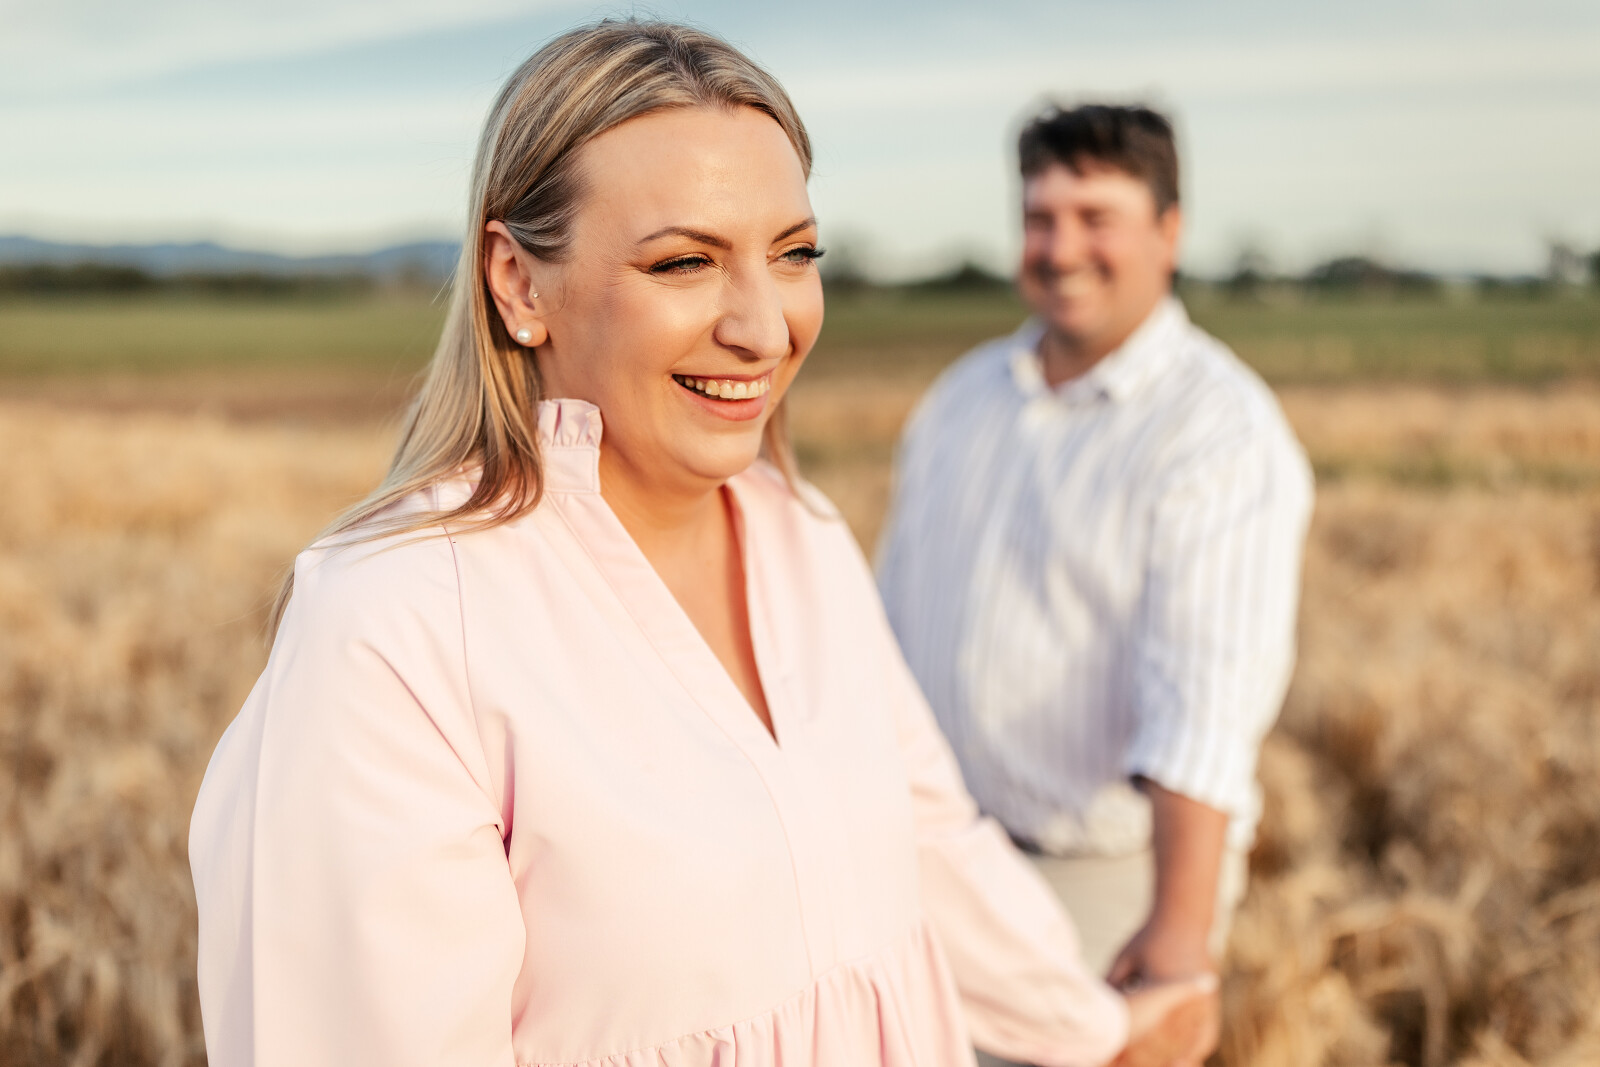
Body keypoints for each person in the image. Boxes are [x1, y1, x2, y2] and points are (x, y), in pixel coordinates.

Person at [188, 24, 1213, 1067]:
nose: (765, 328)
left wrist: (1098, 1029)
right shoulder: (393, 624)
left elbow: (930, 845)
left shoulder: (804, 535)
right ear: (519, 282)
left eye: (794, 254)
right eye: (684, 261)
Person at [877, 104, 1314, 1067]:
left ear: (1169, 231)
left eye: (1095, 217)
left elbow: (1203, 711)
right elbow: (888, 623)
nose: (1061, 247)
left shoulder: (1217, 431)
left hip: (1104, 879)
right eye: (1040, 218)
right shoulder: (963, 396)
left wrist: (1178, 940)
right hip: (935, 856)